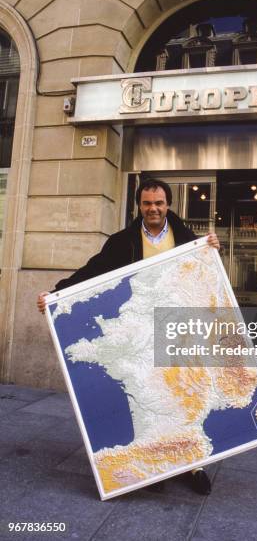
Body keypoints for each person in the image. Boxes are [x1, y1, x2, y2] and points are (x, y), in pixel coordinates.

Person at [37, 178, 220, 495]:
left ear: (168, 204)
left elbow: (207, 281)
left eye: (159, 203)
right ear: (139, 205)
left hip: (177, 330)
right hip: (139, 330)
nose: (153, 209)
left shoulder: (189, 239)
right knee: (152, 398)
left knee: (185, 397)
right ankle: (157, 466)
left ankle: (194, 464)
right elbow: (92, 271)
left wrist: (212, 252)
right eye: (147, 203)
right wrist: (56, 295)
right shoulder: (123, 241)